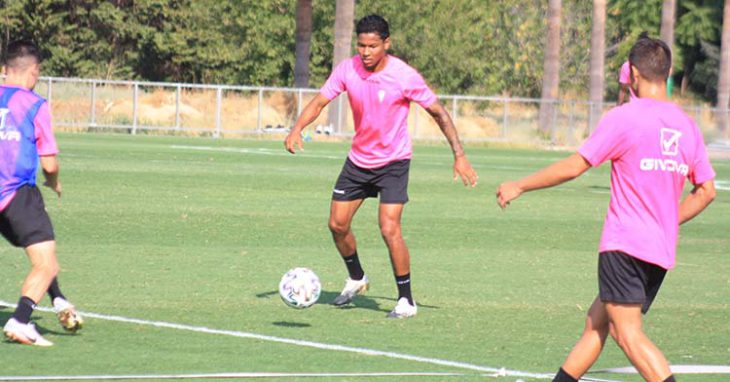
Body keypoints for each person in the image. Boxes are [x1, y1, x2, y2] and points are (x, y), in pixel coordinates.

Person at [497, 37, 716, 382]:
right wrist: (668, 220)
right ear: (668, 72)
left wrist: (520, 185)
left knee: (627, 334)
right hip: (658, 250)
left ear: (632, 74)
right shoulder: (687, 126)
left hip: (624, 245)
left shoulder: (624, 118)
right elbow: (706, 191)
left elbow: (575, 165)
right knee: (597, 323)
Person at [285, 15, 478, 318]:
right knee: (337, 224)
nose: (365, 52)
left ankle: (406, 300)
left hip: (393, 162)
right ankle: (357, 277)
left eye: (372, 46)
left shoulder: (404, 76)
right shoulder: (348, 69)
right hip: (359, 161)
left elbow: (438, 112)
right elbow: (320, 102)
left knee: (389, 228)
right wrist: (297, 128)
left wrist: (459, 154)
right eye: (361, 45)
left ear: (386, 43)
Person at [1, 40, 83, 346]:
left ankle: (59, 299)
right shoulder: (35, 104)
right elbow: (48, 164)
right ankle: (20, 321)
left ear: (5, 69)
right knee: (46, 262)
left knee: (38, 250)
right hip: (16, 192)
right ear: (34, 71)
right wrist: (55, 182)